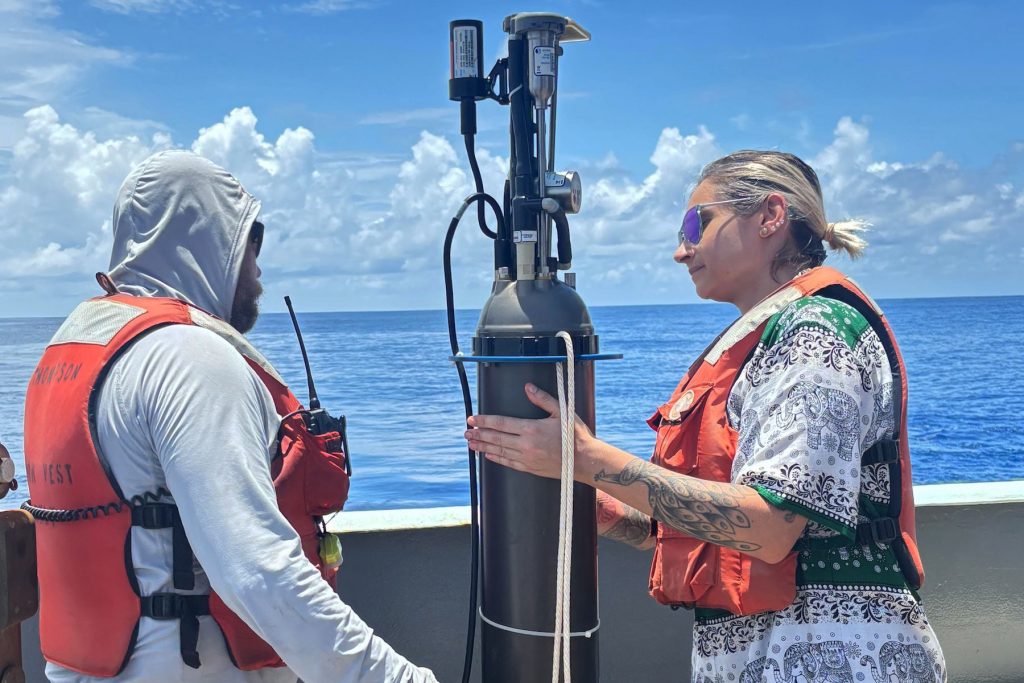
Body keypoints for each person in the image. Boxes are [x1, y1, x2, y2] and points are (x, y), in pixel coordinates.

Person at [465, 150, 947, 682]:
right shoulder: (763, 339)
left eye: (699, 222)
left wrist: (586, 457)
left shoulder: (816, 335)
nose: (680, 250)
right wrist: (590, 497)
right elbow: (714, 528)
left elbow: (768, 526)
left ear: (770, 216)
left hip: (836, 661)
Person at [22, 150, 437, 683]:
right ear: (212, 240)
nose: (258, 264)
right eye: (251, 238)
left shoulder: (72, 351)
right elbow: (260, 573)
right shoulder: (189, 359)